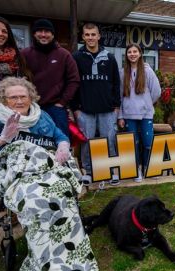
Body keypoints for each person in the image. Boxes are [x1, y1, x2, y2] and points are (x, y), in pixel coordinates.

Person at [0, 77, 98, 271]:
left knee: (62, 193)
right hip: (19, 173)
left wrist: (63, 145)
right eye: (13, 97)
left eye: (23, 96)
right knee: (35, 201)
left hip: (47, 169)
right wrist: (2, 139)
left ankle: (72, 255)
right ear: (4, 100)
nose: (19, 101)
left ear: (31, 97)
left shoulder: (42, 116)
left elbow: (60, 136)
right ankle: (46, 261)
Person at [71, 23, 121, 187]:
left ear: (99, 36)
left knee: (110, 140)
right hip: (85, 110)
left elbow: (115, 83)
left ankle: (112, 170)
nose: (90, 37)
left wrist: (116, 106)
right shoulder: (77, 57)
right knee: (87, 142)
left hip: (107, 109)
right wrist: (76, 108)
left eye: (93, 34)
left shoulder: (110, 57)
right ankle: (89, 172)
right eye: (87, 34)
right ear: (83, 37)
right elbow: (73, 83)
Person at [21, 18, 79, 137]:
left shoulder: (64, 54)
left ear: (52, 34)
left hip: (56, 108)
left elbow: (74, 80)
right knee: (32, 143)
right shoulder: (24, 54)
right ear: (34, 33)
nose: (43, 34)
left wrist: (62, 102)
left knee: (61, 143)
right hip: (31, 108)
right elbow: (18, 80)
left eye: (47, 31)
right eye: (39, 31)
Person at [117, 43, 161, 182]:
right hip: (129, 115)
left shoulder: (148, 71)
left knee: (148, 143)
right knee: (133, 144)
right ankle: (136, 170)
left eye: (135, 51)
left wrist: (147, 103)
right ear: (127, 55)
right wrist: (120, 116)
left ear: (140, 53)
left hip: (145, 114)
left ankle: (147, 166)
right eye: (129, 52)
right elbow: (119, 96)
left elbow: (156, 92)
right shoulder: (122, 72)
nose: (132, 54)